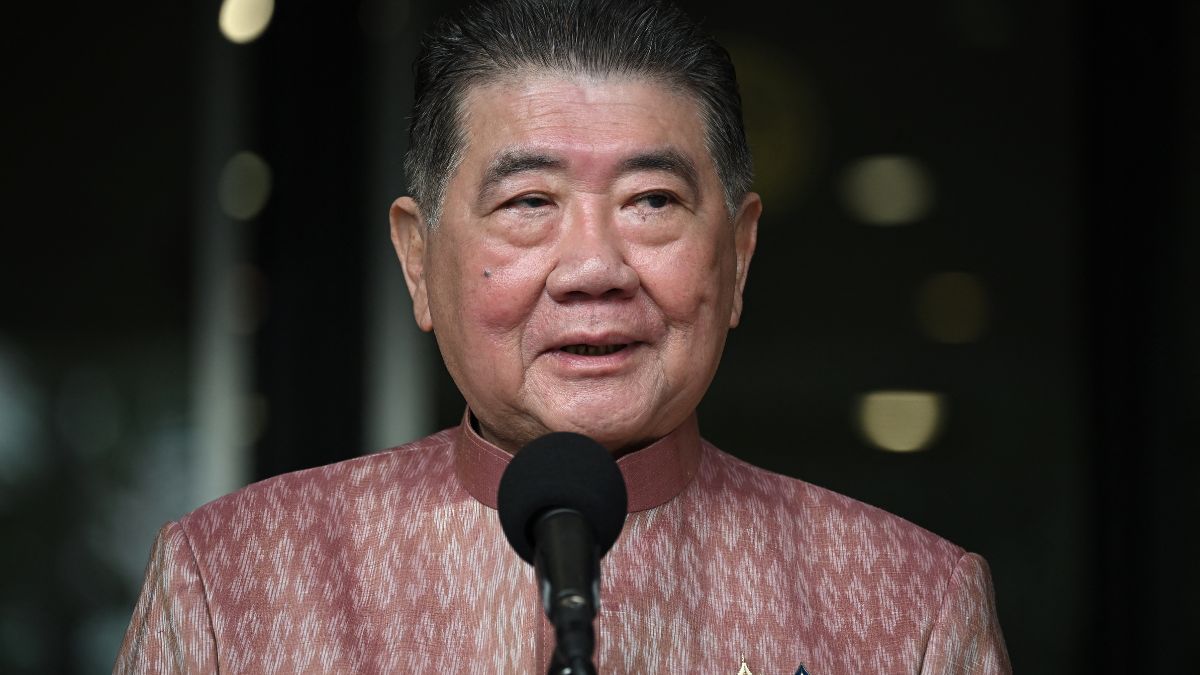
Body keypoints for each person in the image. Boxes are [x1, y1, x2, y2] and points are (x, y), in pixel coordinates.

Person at [116, 0, 1010, 672]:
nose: (593, 267)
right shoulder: (235, 584)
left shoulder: (907, 607)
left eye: (651, 201)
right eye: (529, 202)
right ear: (419, 259)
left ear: (737, 254)